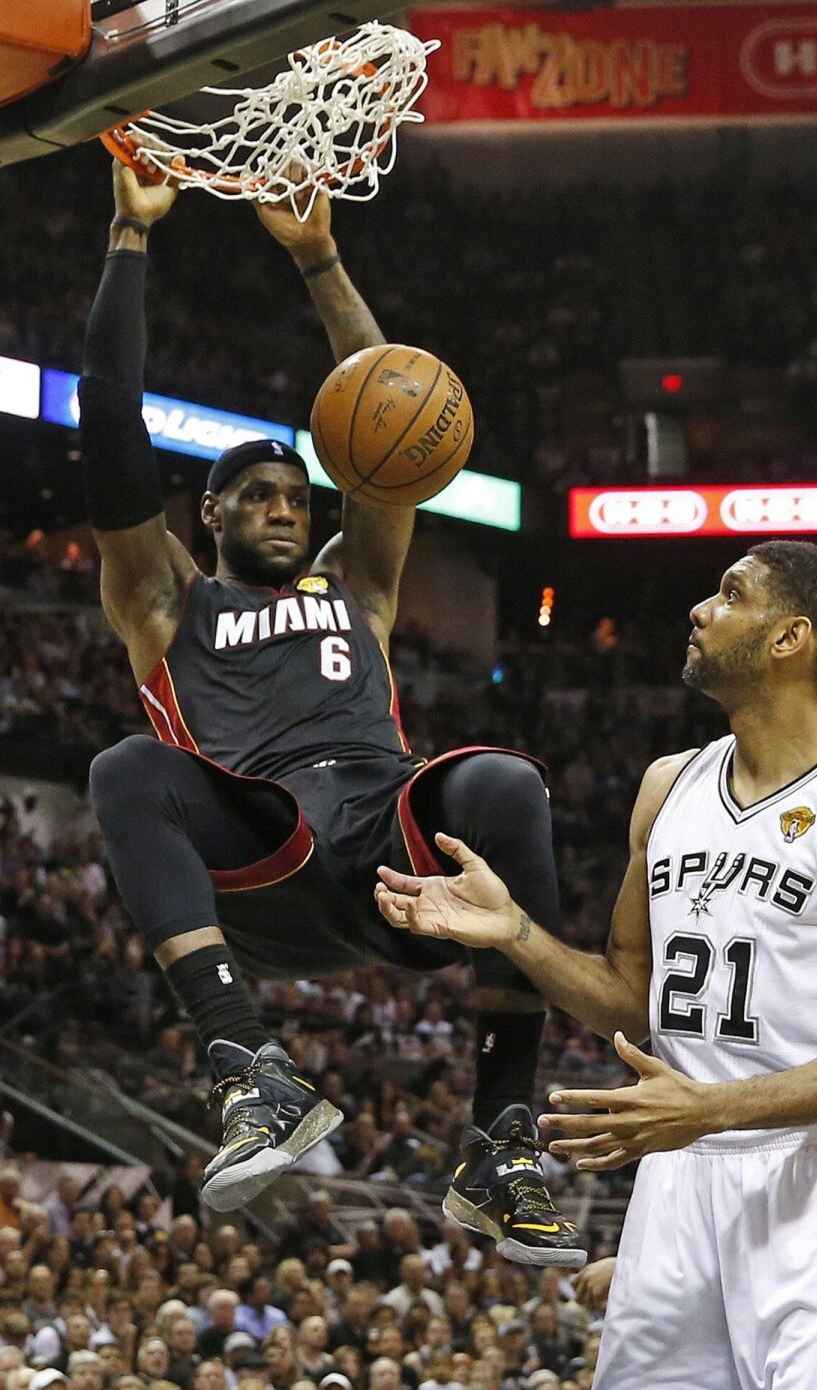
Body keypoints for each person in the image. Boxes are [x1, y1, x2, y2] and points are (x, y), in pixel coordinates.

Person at [79, 158, 581, 1266]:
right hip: (260, 853)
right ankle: (248, 1067)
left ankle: (500, 1141)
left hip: (379, 846)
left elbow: (389, 402)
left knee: (505, 780)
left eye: (294, 496)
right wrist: (130, 238)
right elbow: (110, 432)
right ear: (204, 512)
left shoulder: (357, 583)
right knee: (127, 767)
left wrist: (321, 257)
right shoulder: (169, 598)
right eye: (254, 495)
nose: (280, 510)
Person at [376, 542, 817, 1390]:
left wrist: (710, 1110)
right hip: (678, 1172)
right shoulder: (667, 786)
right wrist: (516, 934)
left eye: (732, 594)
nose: (699, 609)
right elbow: (627, 998)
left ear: (791, 637)